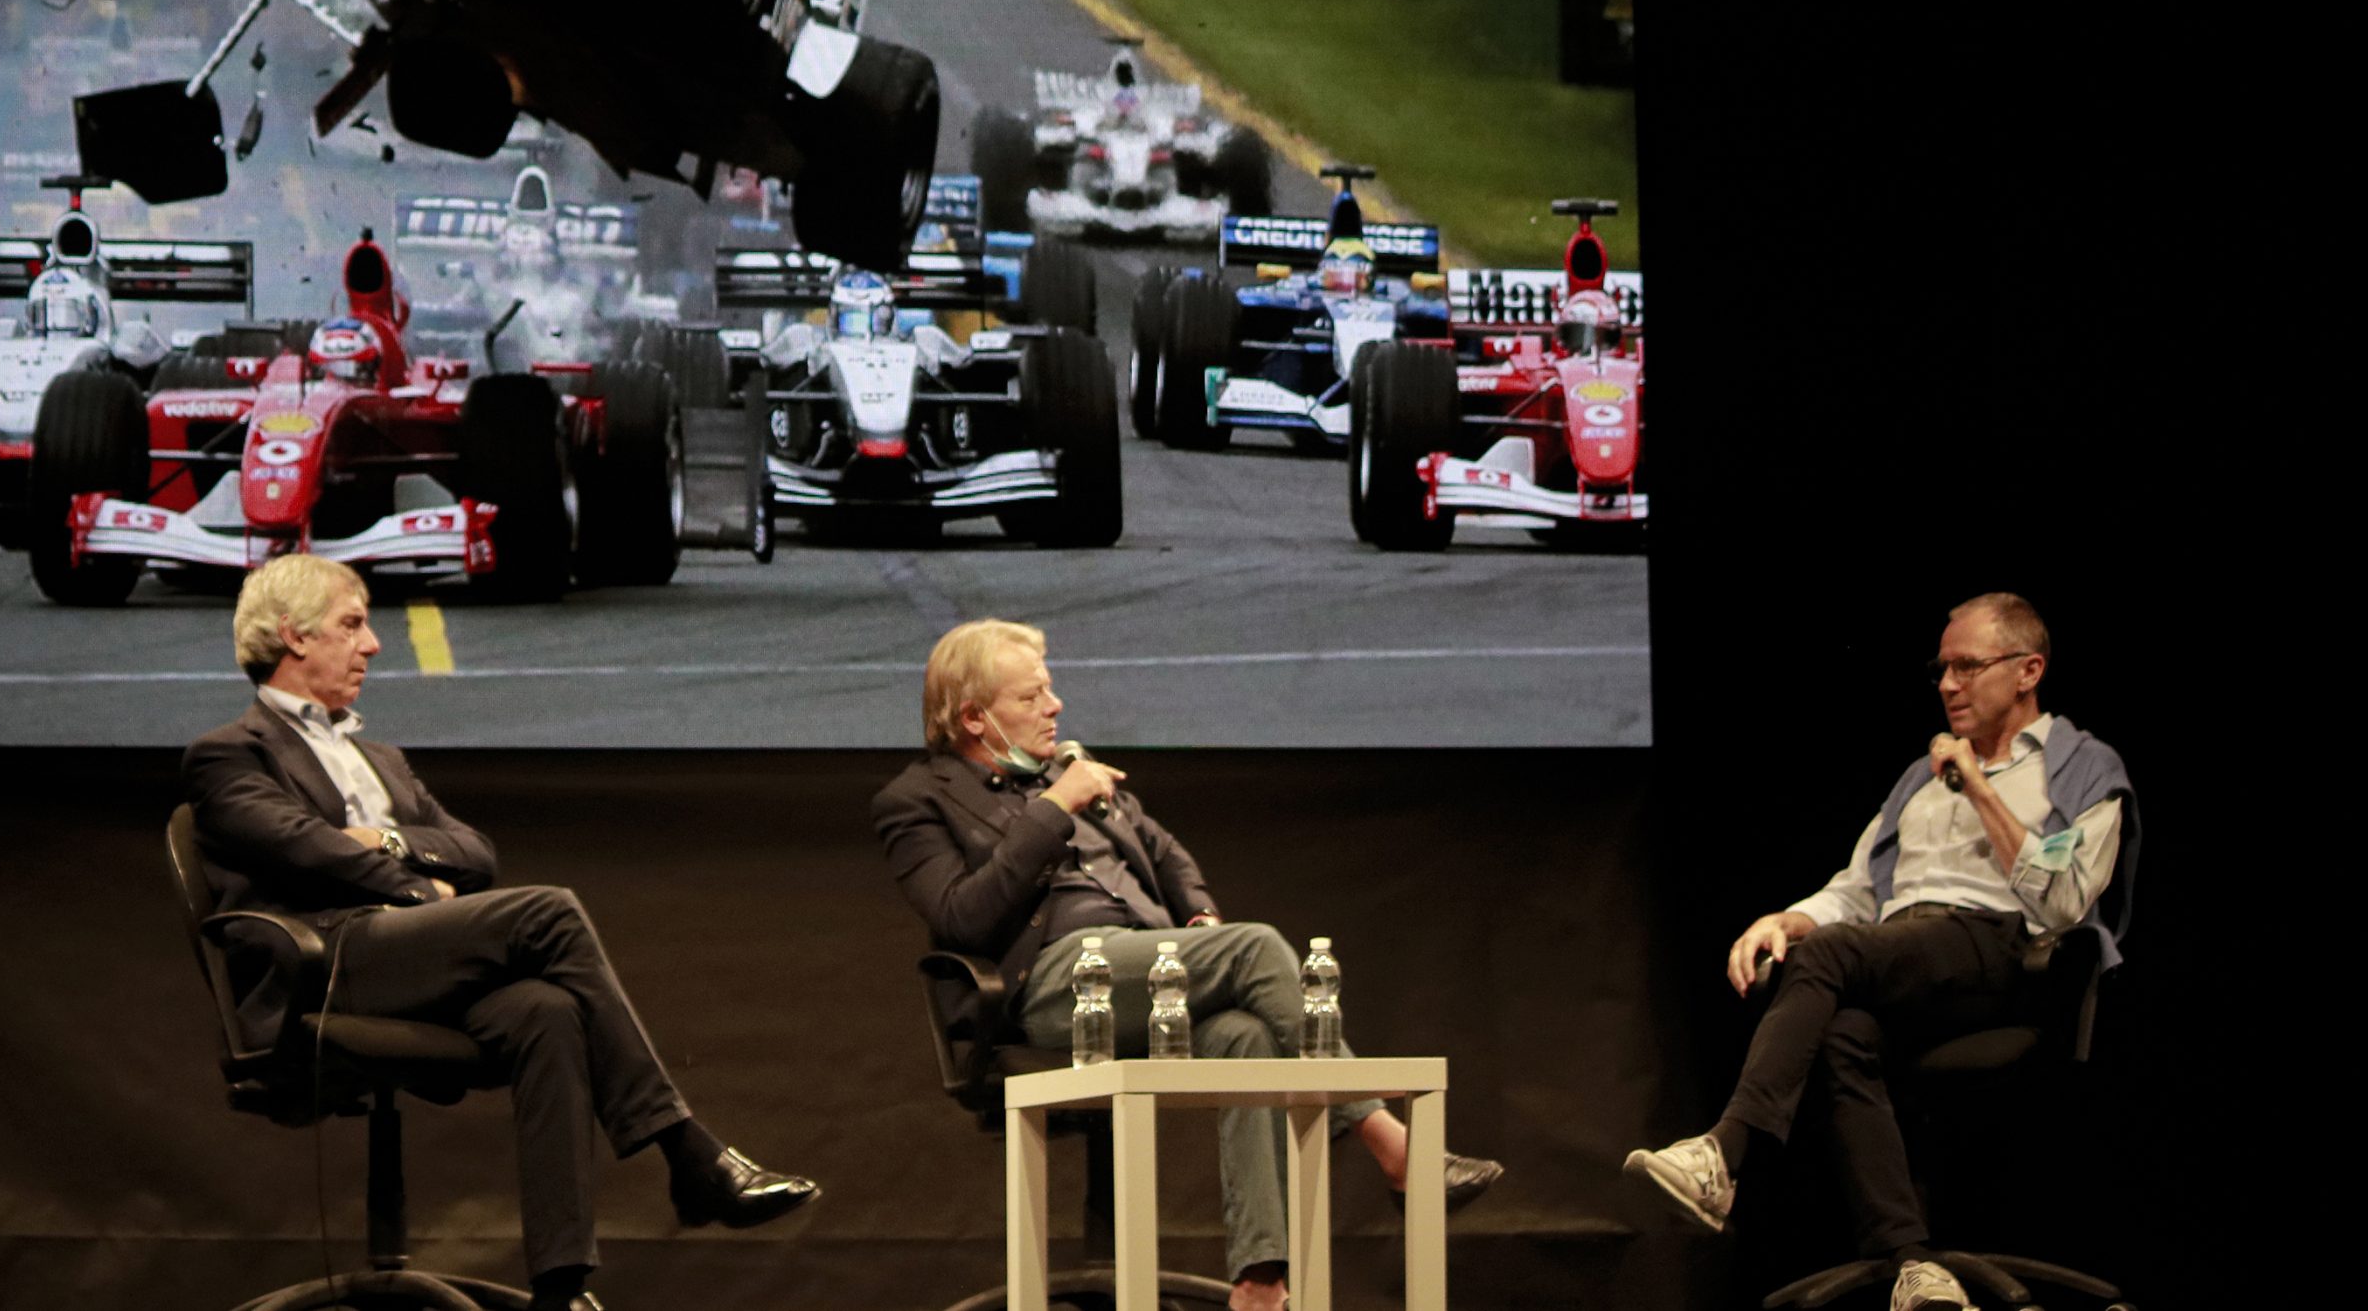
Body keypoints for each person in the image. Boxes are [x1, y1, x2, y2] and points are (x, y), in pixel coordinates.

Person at [185, 556, 820, 1311]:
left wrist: (384, 840)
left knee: (546, 1010)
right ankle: (687, 1151)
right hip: (320, 967)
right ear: (292, 636)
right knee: (547, 911)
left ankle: (560, 1285)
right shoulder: (231, 753)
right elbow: (307, 847)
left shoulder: (380, 758)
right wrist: (418, 887)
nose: (374, 644)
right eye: (352, 625)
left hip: (407, 959)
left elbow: (476, 853)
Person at [872, 619, 1505, 1311]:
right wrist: (1054, 809)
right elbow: (962, 915)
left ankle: (1259, 1282)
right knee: (1256, 945)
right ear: (973, 717)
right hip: (1050, 984)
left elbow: (1165, 852)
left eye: (1049, 689)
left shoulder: (1071, 771)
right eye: (1031, 697)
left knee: (1245, 1035)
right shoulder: (919, 800)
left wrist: (1199, 916)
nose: (1055, 706)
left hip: (1149, 968)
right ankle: (1391, 1144)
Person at [1623, 594, 2136, 1311]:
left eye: (1967, 666)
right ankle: (1913, 1260)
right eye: (1941, 669)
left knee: (1835, 956)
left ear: (2028, 671)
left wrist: (1978, 786)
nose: (1948, 684)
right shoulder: (1918, 779)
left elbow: (2064, 898)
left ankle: (1725, 1153)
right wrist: (1788, 919)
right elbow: (1860, 889)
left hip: (2005, 955)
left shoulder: (2081, 766)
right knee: (1842, 1030)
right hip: (1905, 958)